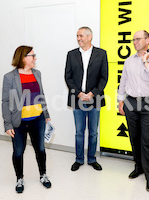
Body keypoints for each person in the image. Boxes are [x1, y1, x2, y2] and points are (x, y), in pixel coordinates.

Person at [118, 30, 149, 192]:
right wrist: (120, 100)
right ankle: (139, 167)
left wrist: (146, 62)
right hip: (130, 102)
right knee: (134, 138)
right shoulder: (129, 61)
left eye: (138, 39)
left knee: (147, 141)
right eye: (133, 39)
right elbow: (123, 81)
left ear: (147, 40)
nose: (135, 42)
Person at [2, 45, 52, 193]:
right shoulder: (9, 77)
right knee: (18, 151)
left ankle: (43, 175)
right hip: (19, 122)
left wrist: (46, 114)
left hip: (38, 119)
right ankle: (19, 178)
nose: (35, 58)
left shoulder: (37, 73)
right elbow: (5, 101)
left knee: (40, 149)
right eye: (32, 55)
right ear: (23, 58)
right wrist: (7, 123)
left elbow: (41, 95)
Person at [65, 26, 108, 171]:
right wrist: (78, 93)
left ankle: (91, 159)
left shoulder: (101, 54)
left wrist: (92, 93)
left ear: (90, 37)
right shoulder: (71, 54)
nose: (78, 39)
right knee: (79, 131)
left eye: (81, 36)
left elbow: (104, 78)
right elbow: (68, 77)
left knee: (93, 132)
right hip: (77, 98)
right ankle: (78, 159)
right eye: (77, 36)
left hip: (94, 98)